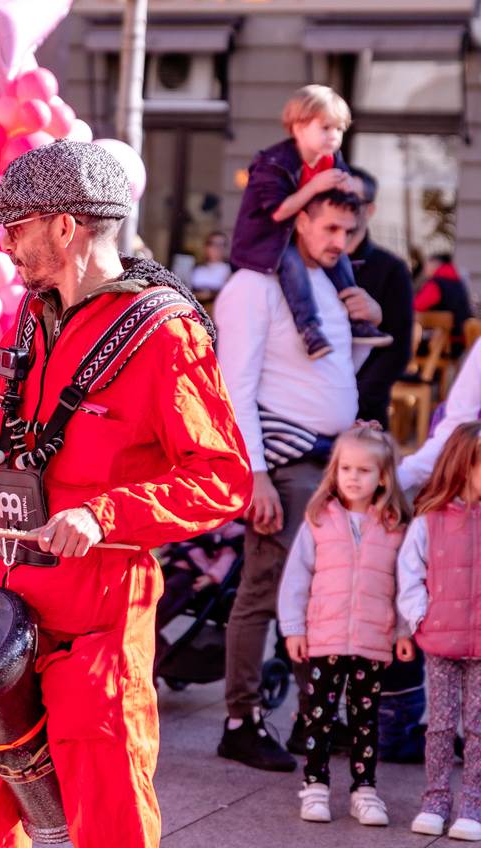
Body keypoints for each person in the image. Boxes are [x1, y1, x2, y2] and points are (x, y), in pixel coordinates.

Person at [0, 140, 253, 848]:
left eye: (17, 225)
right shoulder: (31, 316)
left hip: (97, 619)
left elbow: (222, 477)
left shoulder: (165, 335)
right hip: (0, 615)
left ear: (66, 227)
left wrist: (103, 512)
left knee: (106, 814)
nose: (6, 242)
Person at [216, 188, 385, 772]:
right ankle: (240, 721)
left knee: (320, 596)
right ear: (300, 219)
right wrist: (254, 474)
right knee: (264, 592)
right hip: (283, 464)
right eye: (331, 229)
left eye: (350, 232)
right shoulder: (253, 287)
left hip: (331, 463)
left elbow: (331, 374)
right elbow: (233, 385)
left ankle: (310, 723)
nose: (342, 244)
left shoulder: (324, 285)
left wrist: (366, 323)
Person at [276, 423, 414, 826]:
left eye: (364, 470)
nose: (353, 477)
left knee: (364, 719)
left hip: (373, 640)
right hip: (324, 638)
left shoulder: (393, 526)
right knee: (318, 715)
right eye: (346, 469)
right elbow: (296, 579)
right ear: (335, 471)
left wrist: (403, 630)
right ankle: (315, 785)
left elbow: (402, 585)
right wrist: (293, 628)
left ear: (383, 476)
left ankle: (365, 790)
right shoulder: (320, 520)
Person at [229, 84, 390, 360]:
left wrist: (348, 187)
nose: (333, 136)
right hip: (269, 241)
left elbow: (336, 201)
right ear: (299, 127)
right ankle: (309, 329)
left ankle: (355, 317)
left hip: (303, 235)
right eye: (326, 128)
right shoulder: (275, 162)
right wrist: (315, 186)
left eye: (339, 130)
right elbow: (278, 212)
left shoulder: (331, 160)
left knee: (339, 258)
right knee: (293, 268)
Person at [398, 421, 481, 841]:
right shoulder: (430, 520)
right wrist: (420, 618)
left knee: (480, 726)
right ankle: (434, 799)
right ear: (464, 467)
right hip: (441, 639)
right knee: (441, 725)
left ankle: (473, 803)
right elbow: (410, 572)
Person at [347, 166, 414, 427]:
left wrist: (357, 401)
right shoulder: (310, 264)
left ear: (370, 210)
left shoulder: (392, 269)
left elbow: (398, 349)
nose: (343, 207)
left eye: (352, 201)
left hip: (365, 410)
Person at [414, 253, 473, 356]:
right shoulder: (458, 283)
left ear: (435, 264)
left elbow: (416, 306)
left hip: (442, 344)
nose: (425, 268)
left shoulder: (436, 284)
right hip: (460, 341)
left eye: (427, 264)